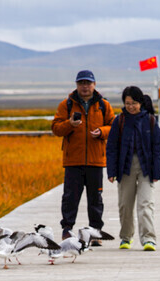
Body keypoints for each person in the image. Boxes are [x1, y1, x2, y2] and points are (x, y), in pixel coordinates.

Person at [51, 70, 116, 242]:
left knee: (95, 199)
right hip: (73, 161)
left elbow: (114, 127)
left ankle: (95, 232)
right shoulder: (66, 104)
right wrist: (70, 124)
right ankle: (67, 230)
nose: (85, 86)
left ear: (94, 85)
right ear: (76, 85)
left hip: (95, 160)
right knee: (70, 198)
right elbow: (56, 128)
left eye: (88, 83)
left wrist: (101, 131)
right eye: (81, 83)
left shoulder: (104, 105)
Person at [106, 85, 160, 252]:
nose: (131, 106)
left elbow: (157, 147)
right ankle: (126, 237)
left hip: (146, 167)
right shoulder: (119, 121)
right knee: (125, 205)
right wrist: (111, 171)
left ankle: (148, 239)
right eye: (128, 103)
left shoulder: (150, 120)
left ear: (140, 103)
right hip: (125, 167)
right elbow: (111, 148)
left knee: (146, 204)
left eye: (134, 103)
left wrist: (157, 170)